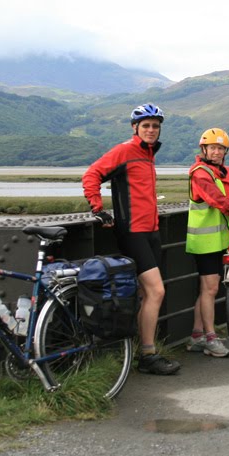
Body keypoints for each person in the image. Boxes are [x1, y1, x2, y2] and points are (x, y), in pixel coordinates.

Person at [82, 103, 181, 375]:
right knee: (156, 291)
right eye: (146, 126)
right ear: (135, 127)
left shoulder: (148, 155)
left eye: (155, 126)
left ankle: (137, 350)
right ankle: (148, 355)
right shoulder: (125, 150)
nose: (151, 130)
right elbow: (92, 174)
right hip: (132, 231)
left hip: (150, 231)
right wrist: (97, 208)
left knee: (143, 293)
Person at [185, 128, 229, 358]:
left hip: (219, 239)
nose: (216, 152)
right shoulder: (201, 173)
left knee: (207, 289)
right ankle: (211, 338)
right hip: (205, 243)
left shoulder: (220, 173)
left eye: (220, 148)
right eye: (212, 147)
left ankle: (196, 336)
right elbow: (217, 200)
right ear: (203, 149)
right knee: (211, 289)